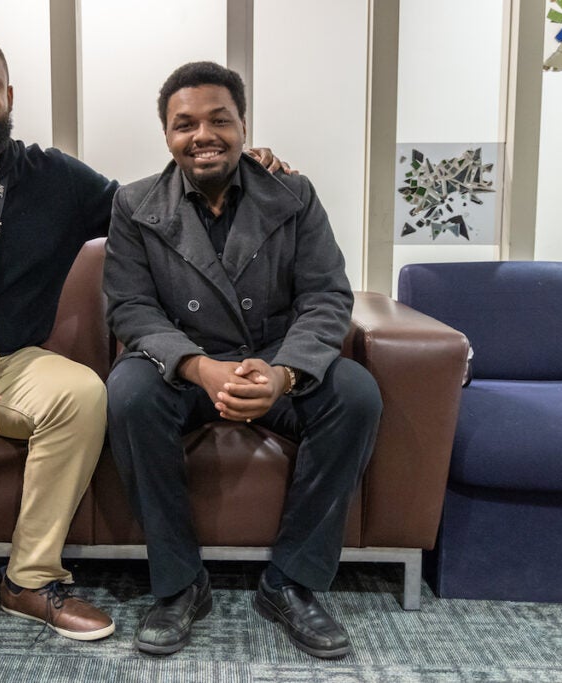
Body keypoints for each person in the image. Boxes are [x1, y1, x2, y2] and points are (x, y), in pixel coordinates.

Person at [0, 32, 288, 683]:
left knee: (82, 390)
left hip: (15, 361)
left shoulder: (52, 178)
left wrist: (233, 166)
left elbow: (146, 209)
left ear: (8, 96)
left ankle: (31, 579)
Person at [103, 61, 382, 659]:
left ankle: (292, 582)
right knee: (126, 394)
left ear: (243, 124)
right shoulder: (134, 204)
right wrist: (199, 366)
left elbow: (327, 296)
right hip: (183, 369)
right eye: (185, 124)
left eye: (218, 119)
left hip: (277, 364)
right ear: (168, 136)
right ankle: (180, 586)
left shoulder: (294, 194)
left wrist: (284, 374)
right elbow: (129, 308)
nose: (202, 134)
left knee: (356, 394)